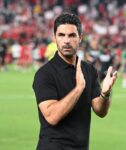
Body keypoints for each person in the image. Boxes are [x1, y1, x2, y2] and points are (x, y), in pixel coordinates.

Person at [33, 12, 117, 150]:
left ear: (80, 38)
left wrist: (105, 93)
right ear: (55, 38)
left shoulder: (89, 70)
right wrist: (79, 88)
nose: (66, 40)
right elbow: (52, 116)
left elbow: (100, 111)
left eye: (72, 35)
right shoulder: (44, 74)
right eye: (61, 35)